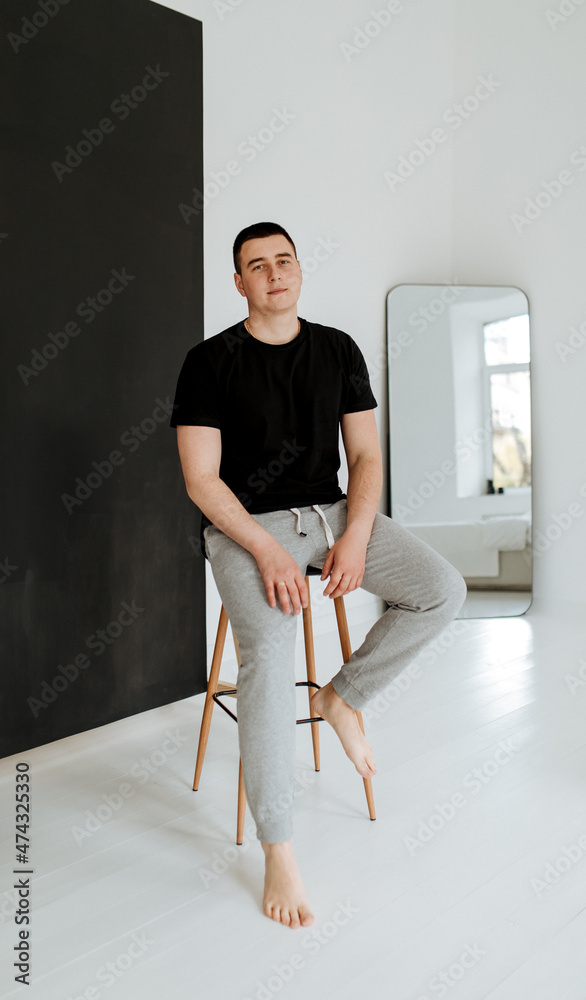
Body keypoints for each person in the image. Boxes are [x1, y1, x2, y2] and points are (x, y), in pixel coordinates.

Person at [170, 221, 467, 929]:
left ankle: (342, 697)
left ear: (299, 270)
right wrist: (267, 552)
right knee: (268, 664)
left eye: (284, 260)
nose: (273, 273)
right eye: (256, 265)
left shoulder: (336, 348)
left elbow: (363, 459)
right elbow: (200, 480)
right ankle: (280, 850)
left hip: (333, 513)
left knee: (439, 590)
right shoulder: (208, 362)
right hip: (245, 527)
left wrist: (357, 535)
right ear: (238, 283)